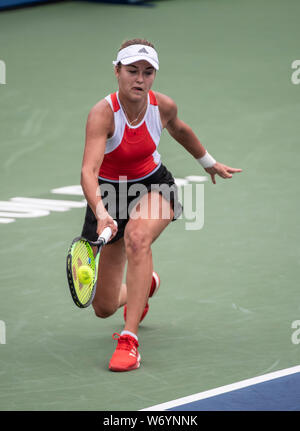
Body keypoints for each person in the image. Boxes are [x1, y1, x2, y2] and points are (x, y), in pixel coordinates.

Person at [80, 38, 242, 372]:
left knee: (138, 238)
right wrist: (101, 212)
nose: (139, 78)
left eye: (147, 72)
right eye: (132, 71)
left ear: (154, 75)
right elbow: (89, 171)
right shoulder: (102, 114)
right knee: (104, 306)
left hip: (154, 186)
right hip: (109, 195)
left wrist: (208, 162)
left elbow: (180, 130)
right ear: (117, 72)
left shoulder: (162, 106)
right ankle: (146, 284)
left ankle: (130, 340)